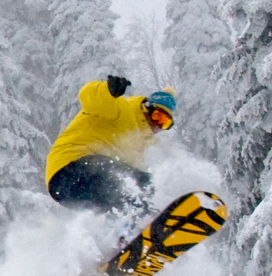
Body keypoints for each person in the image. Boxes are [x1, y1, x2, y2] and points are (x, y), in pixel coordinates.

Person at [44, 75, 176, 228]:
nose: (158, 125)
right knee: (140, 185)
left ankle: (122, 240)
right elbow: (88, 96)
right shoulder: (122, 109)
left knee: (127, 201)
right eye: (158, 116)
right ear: (146, 107)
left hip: (65, 191)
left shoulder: (139, 146)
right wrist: (108, 90)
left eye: (165, 123)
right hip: (71, 167)